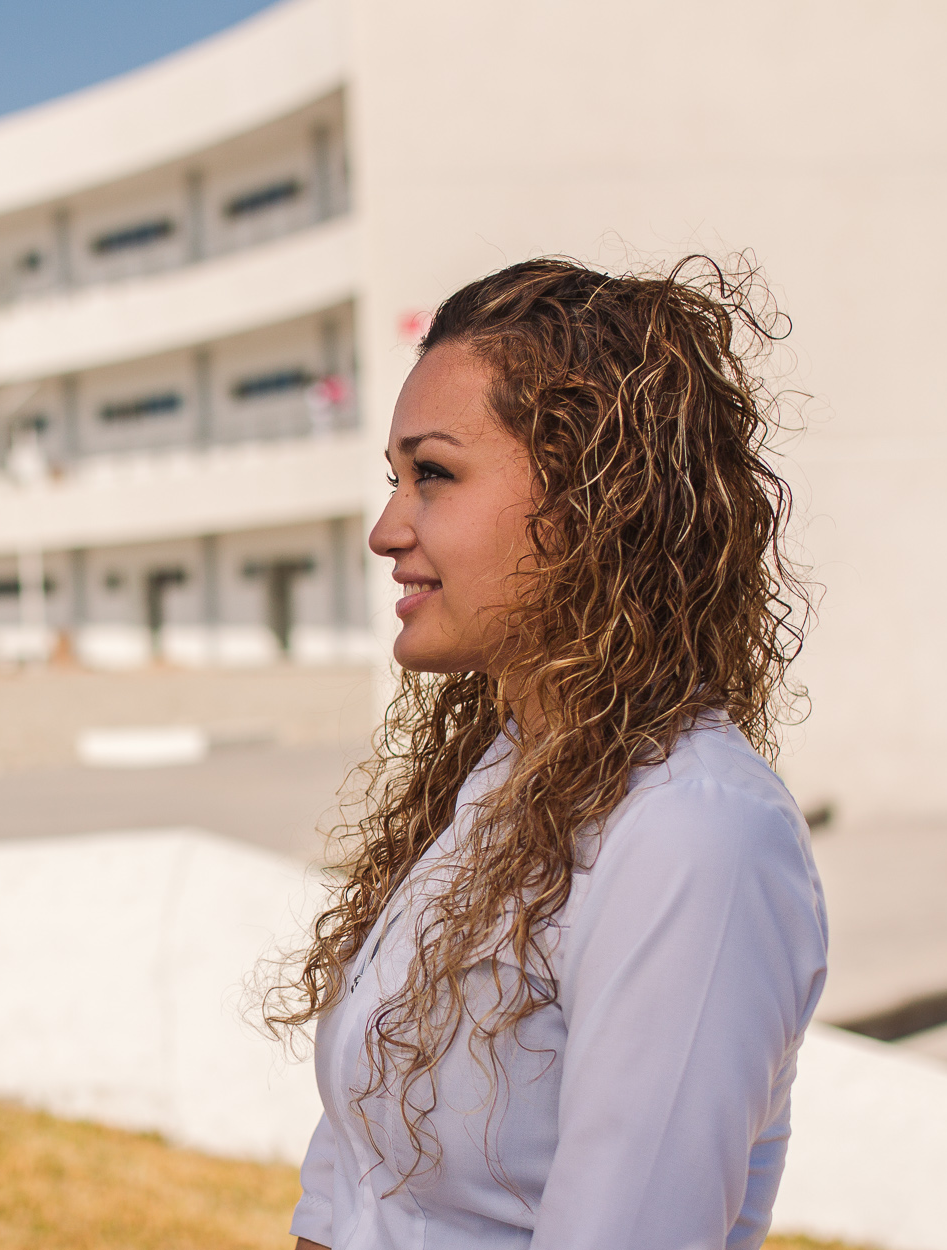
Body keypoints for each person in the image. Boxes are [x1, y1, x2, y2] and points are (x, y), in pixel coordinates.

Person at [274, 258, 826, 1249]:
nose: (383, 527)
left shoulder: (690, 831)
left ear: (592, 498)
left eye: (432, 473)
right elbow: (356, 1187)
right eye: (392, 479)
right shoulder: (494, 781)